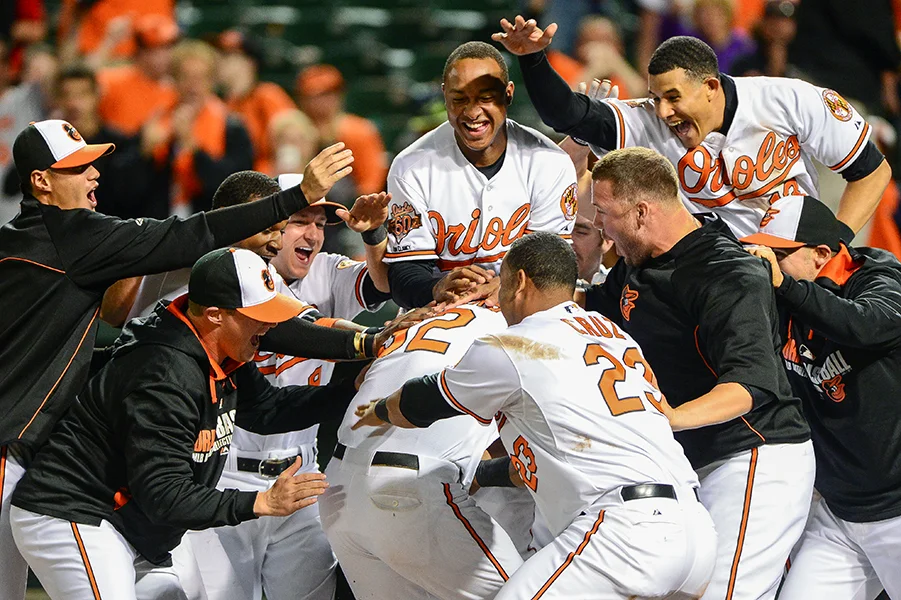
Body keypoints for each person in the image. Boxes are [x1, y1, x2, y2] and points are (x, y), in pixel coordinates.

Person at [0, 118, 354, 600]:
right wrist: (292, 198)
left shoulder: (32, 239)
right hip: (22, 456)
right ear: (41, 181)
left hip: (55, 468)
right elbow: (193, 234)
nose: (94, 176)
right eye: (78, 167)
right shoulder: (67, 237)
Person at [353, 232, 717, 599]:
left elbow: (419, 404)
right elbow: (544, 453)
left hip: (626, 529)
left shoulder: (516, 343)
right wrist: (484, 472)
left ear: (521, 282)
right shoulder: (614, 335)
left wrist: (378, 409)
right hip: (696, 530)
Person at [582, 147, 813, 600]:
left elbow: (750, 385)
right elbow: (593, 307)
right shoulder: (640, 262)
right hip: (693, 462)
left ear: (642, 212)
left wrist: (668, 418)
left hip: (753, 456)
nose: (603, 230)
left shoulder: (727, 272)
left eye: (605, 214)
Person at [492, 17, 893, 237]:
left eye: (673, 97)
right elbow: (568, 115)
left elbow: (872, 170)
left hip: (793, 256)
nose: (663, 111)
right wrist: (533, 60)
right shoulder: (647, 120)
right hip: (716, 270)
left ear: (711, 87)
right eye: (655, 98)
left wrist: (837, 240)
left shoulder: (788, 99)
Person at [740, 195, 901, 599]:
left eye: (779, 255)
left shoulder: (879, 278)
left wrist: (786, 286)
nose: (767, 265)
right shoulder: (781, 299)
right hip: (839, 515)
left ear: (821, 254)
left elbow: (866, 325)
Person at [320, 301, 525, 600]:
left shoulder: (427, 315)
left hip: (338, 486)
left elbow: (361, 379)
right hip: (405, 491)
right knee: (531, 593)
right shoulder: (520, 328)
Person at [384, 41, 578, 309]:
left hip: (522, 310)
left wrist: (506, 287)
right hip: (441, 315)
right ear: (445, 96)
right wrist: (436, 287)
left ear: (508, 95)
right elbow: (404, 275)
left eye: (486, 98)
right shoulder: (412, 167)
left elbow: (555, 266)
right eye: (459, 98)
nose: (473, 112)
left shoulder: (548, 162)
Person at [151, 39, 253, 216]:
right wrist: (146, 151)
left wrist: (195, 150)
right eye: (186, 77)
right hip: (161, 218)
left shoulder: (233, 126)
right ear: (174, 80)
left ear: (212, 81)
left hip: (210, 221)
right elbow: (131, 188)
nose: (193, 86)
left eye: (200, 78)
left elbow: (235, 188)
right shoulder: (157, 122)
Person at [54, 62, 156, 220]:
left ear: (97, 95)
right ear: (57, 99)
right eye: (67, 95)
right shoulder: (51, 145)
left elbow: (131, 197)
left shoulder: (120, 144)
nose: (73, 104)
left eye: (82, 94)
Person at [295, 63, 389, 197]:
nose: (321, 102)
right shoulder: (294, 129)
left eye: (328, 94)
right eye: (313, 96)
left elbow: (371, 183)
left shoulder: (357, 130)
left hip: (346, 207)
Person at [216, 30, 296, 170]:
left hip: (269, 179)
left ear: (249, 62)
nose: (219, 61)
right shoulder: (222, 105)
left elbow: (292, 143)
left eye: (228, 56)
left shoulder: (268, 95)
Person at [96, 14, 178, 137]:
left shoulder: (176, 90)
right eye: (156, 49)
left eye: (168, 48)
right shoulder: (113, 80)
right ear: (140, 51)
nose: (165, 56)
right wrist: (108, 42)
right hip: (117, 151)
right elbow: (79, 82)